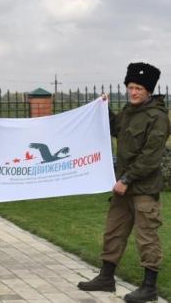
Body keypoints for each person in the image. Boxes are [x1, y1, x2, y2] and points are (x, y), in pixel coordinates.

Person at [77, 62, 168, 303]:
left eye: (139, 88)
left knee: (147, 237)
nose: (134, 92)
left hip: (143, 190)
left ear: (149, 91)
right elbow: (116, 128)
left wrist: (127, 179)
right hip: (122, 189)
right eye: (130, 87)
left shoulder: (157, 117)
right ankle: (106, 278)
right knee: (113, 232)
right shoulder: (129, 111)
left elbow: (151, 156)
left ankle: (149, 287)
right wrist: (103, 109)